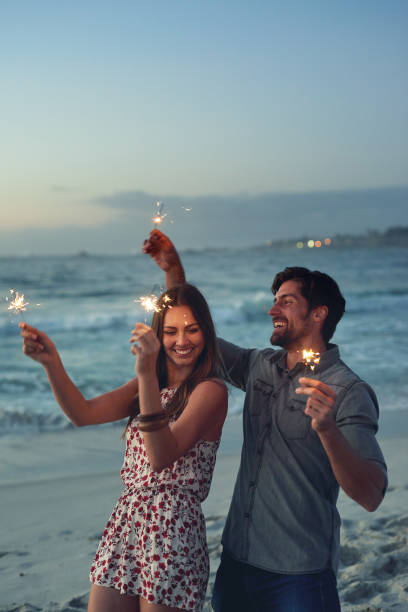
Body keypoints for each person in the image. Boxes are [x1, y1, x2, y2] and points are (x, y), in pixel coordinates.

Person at [143, 230, 387, 612]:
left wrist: (327, 430)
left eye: (286, 302)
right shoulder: (260, 366)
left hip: (300, 576)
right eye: (274, 301)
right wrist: (174, 271)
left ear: (318, 314)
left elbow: (371, 494)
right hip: (237, 566)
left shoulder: (347, 390)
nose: (273, 310)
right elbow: (196, 338)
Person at [20, 283, 228, 612]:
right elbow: (82, 414)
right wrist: (52, 362)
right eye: (171, 331)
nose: (181, 341)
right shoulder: (149, 385)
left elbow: (161, 456)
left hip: (173, 525)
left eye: (192, 329)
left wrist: (145, 372)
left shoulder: (210, 391)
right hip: (127, 520)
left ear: (207, 331)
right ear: (158, 336)